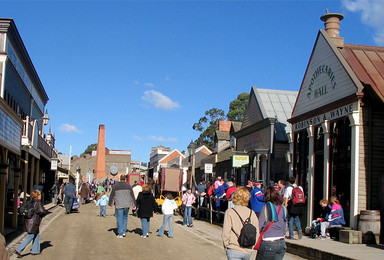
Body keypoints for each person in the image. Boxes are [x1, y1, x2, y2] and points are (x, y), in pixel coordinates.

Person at [222, 187, 259, 260]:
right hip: (247, 250)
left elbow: (226, 232)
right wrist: (252, 246)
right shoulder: (252, 213)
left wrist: (226, 246)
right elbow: (257, 232)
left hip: (234, 248)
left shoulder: (230, 212)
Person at [256, 187, 288, 260]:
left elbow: (259, 226)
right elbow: (285, 226)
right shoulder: (283, 208)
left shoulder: (266, 207)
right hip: (281, 242)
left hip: (268, 241)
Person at [14, 190, 47, 257]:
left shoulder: (30, 202)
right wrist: (44, 210)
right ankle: (18, 249)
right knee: (30, 236)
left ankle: (35, 250)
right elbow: (42, 211)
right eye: (40, 195)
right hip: (33, 222)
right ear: (37, 196)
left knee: (36, 235)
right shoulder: (38, 203)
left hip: (29, 222)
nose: (41, 196)